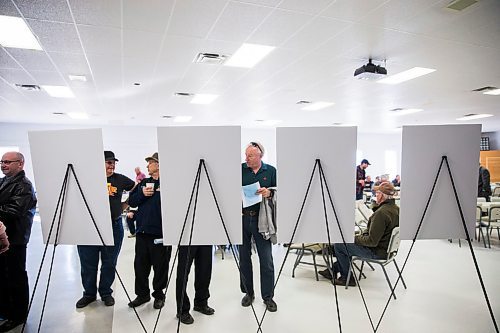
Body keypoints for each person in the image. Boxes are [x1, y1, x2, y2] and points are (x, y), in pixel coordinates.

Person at [76, 151, 135, 308]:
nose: (112, 165)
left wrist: (125, 205)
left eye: (113, 162)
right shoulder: (88, 179)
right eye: (108, 162)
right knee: (88, 263)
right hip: (89, 227)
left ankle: (106, 293)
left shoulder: (120, 179)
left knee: (109, 262)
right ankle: (89, 294)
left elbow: (135, 188)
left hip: (113, 226)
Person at [330, 181, 399, 286]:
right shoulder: (396, 209)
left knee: (340, 246)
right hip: (387, 251)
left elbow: (372, 241)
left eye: (378, 193)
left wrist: (354, 238)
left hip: (377, 252)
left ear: (383, 196)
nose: (376, 195)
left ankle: (346, 278)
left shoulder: (381, 213)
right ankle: (332, 270)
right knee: (346, 246)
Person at [128, 153, 172, 310]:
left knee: (160, 267)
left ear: (159, 164)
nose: (147, 166)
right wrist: (141, 194)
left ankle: (159, 295)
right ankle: (142, 294)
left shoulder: (169, 184)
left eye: (151, 163)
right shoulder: (144, 183)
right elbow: (131, 201)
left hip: (161, 234)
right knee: (140, 266)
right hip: (142, 233)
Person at [0, 152, 37, 332]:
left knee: (15, 278)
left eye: (8, 162)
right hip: (3, 238)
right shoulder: (4, 182)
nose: (4, 164)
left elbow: (13, 211)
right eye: (2, 162)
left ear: (20, 164)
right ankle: (6, 311)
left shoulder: (24, 186)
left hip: (15, 239)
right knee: (3, 277)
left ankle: (18, 316)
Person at [240, 142, 277, 312]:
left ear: (260, 156)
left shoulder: (270, 171)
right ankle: (248, 293)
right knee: (244, 259)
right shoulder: (240, 169)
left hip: (261, 220)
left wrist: (269, 192)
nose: (246, 158)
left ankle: (268, 296)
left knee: (266, 259)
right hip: (242, 219)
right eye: (246, 155)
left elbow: (279, 190)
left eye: (250, 156)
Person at [175, 243, 214, 325]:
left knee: (205, 270)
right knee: (183, 273)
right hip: (186, 238)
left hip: (206, 237)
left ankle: (201, 303)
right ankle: (182, 310)